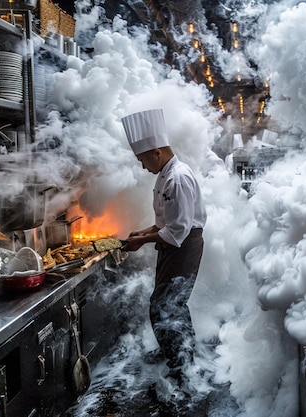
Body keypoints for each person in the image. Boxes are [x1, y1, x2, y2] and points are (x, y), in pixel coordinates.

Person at [120, 109, 206, 410]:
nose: (143, 167)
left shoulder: (178, 179)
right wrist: (142, 232)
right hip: (174, 246)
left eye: (144, 159)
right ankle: (182, 362)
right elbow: (166, 222)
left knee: (166, 307)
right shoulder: (166, 174)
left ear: (156, 152)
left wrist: (142, 241)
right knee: (167, 306)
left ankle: (184, 377)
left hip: (184, 247)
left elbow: (179, 230)